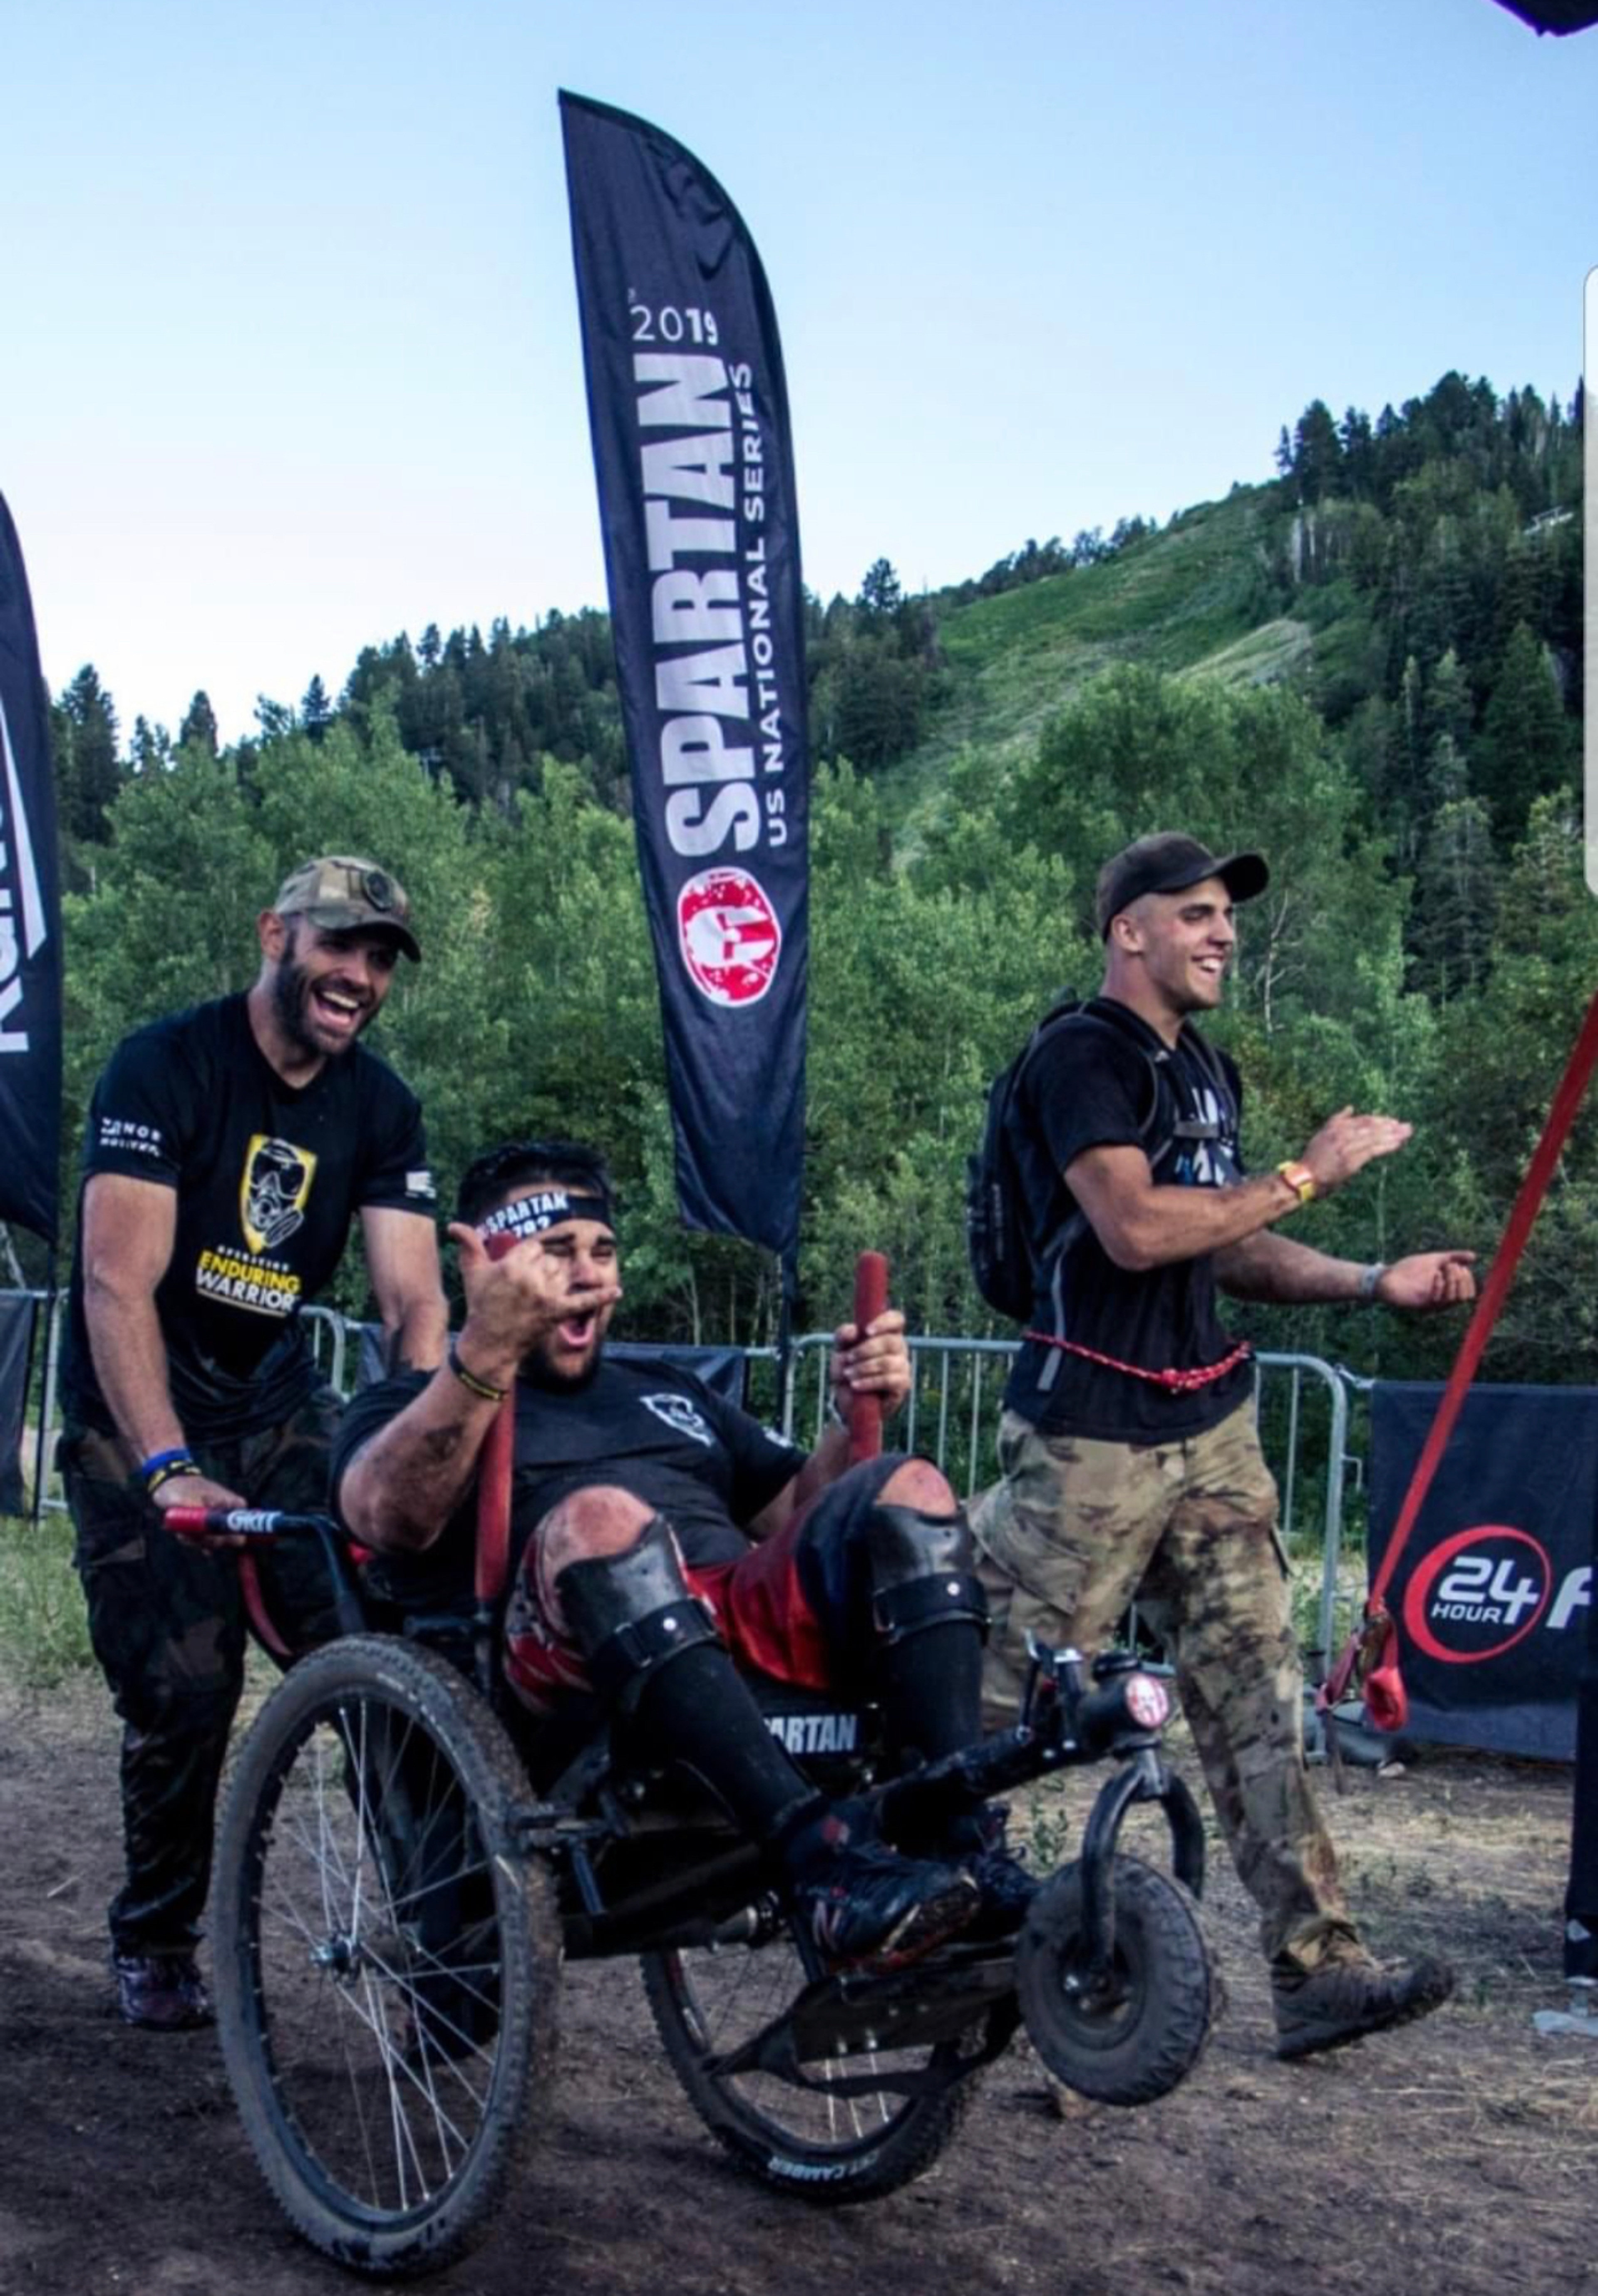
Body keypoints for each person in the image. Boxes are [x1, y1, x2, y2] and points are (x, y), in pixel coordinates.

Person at [970, 831, 1476, 2062]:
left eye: (1228, 917)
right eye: (1194, 913)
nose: (1223, 933)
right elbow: (1138, 1227)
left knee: (1259, 1692)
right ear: (1126, 930)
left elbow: (1224, 1243)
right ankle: (908, 1910)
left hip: (1210, 1427)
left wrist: (1372, 1279)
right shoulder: (1081, 1055)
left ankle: (1318, 1969)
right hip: (1091, 1434)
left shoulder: (1205, 1068)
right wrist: (1310, 1172)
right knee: (990, 1701)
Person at [335, 1138, 1023, 1974]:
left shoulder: (672, 1389)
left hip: (725, 1622)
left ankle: (956, 1835)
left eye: (603, 1251)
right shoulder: (415, 1400)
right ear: (489, 1263)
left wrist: (849, 1414)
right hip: (563, 1661)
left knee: (908, 1483)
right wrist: (485, 1353)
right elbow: (386, 1517)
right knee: (602, 1517)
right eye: (555, 1254)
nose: (589, 1275)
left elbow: (797, 1521)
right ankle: (821, 1861)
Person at [59, 855, 449, 2030]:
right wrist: (169, 1464)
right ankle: (160, 1936)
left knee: (389, 1650)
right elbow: (114, 1282)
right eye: (342, 946)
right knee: (186, 1682)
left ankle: (454, 1934)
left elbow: (413, 1305)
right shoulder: (164, 1064)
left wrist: (424, 1441)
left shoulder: (381, 1107)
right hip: (136, 1407)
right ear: (276, 934)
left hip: (275, 1401)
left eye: (381, 958)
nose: (361, 975)